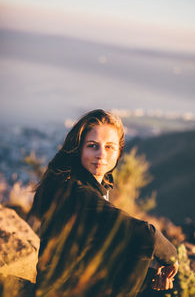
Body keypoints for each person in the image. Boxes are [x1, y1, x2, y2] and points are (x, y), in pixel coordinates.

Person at [28, 109, 178, 297]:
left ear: (119, 151)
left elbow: (101, 248)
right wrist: (171, 257)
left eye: (109, 147)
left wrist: (152, 267)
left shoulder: (83, 183)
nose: (101, 155)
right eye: (93, 146)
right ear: (78, 148)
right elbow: (146, 234)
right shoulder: (75, 191)